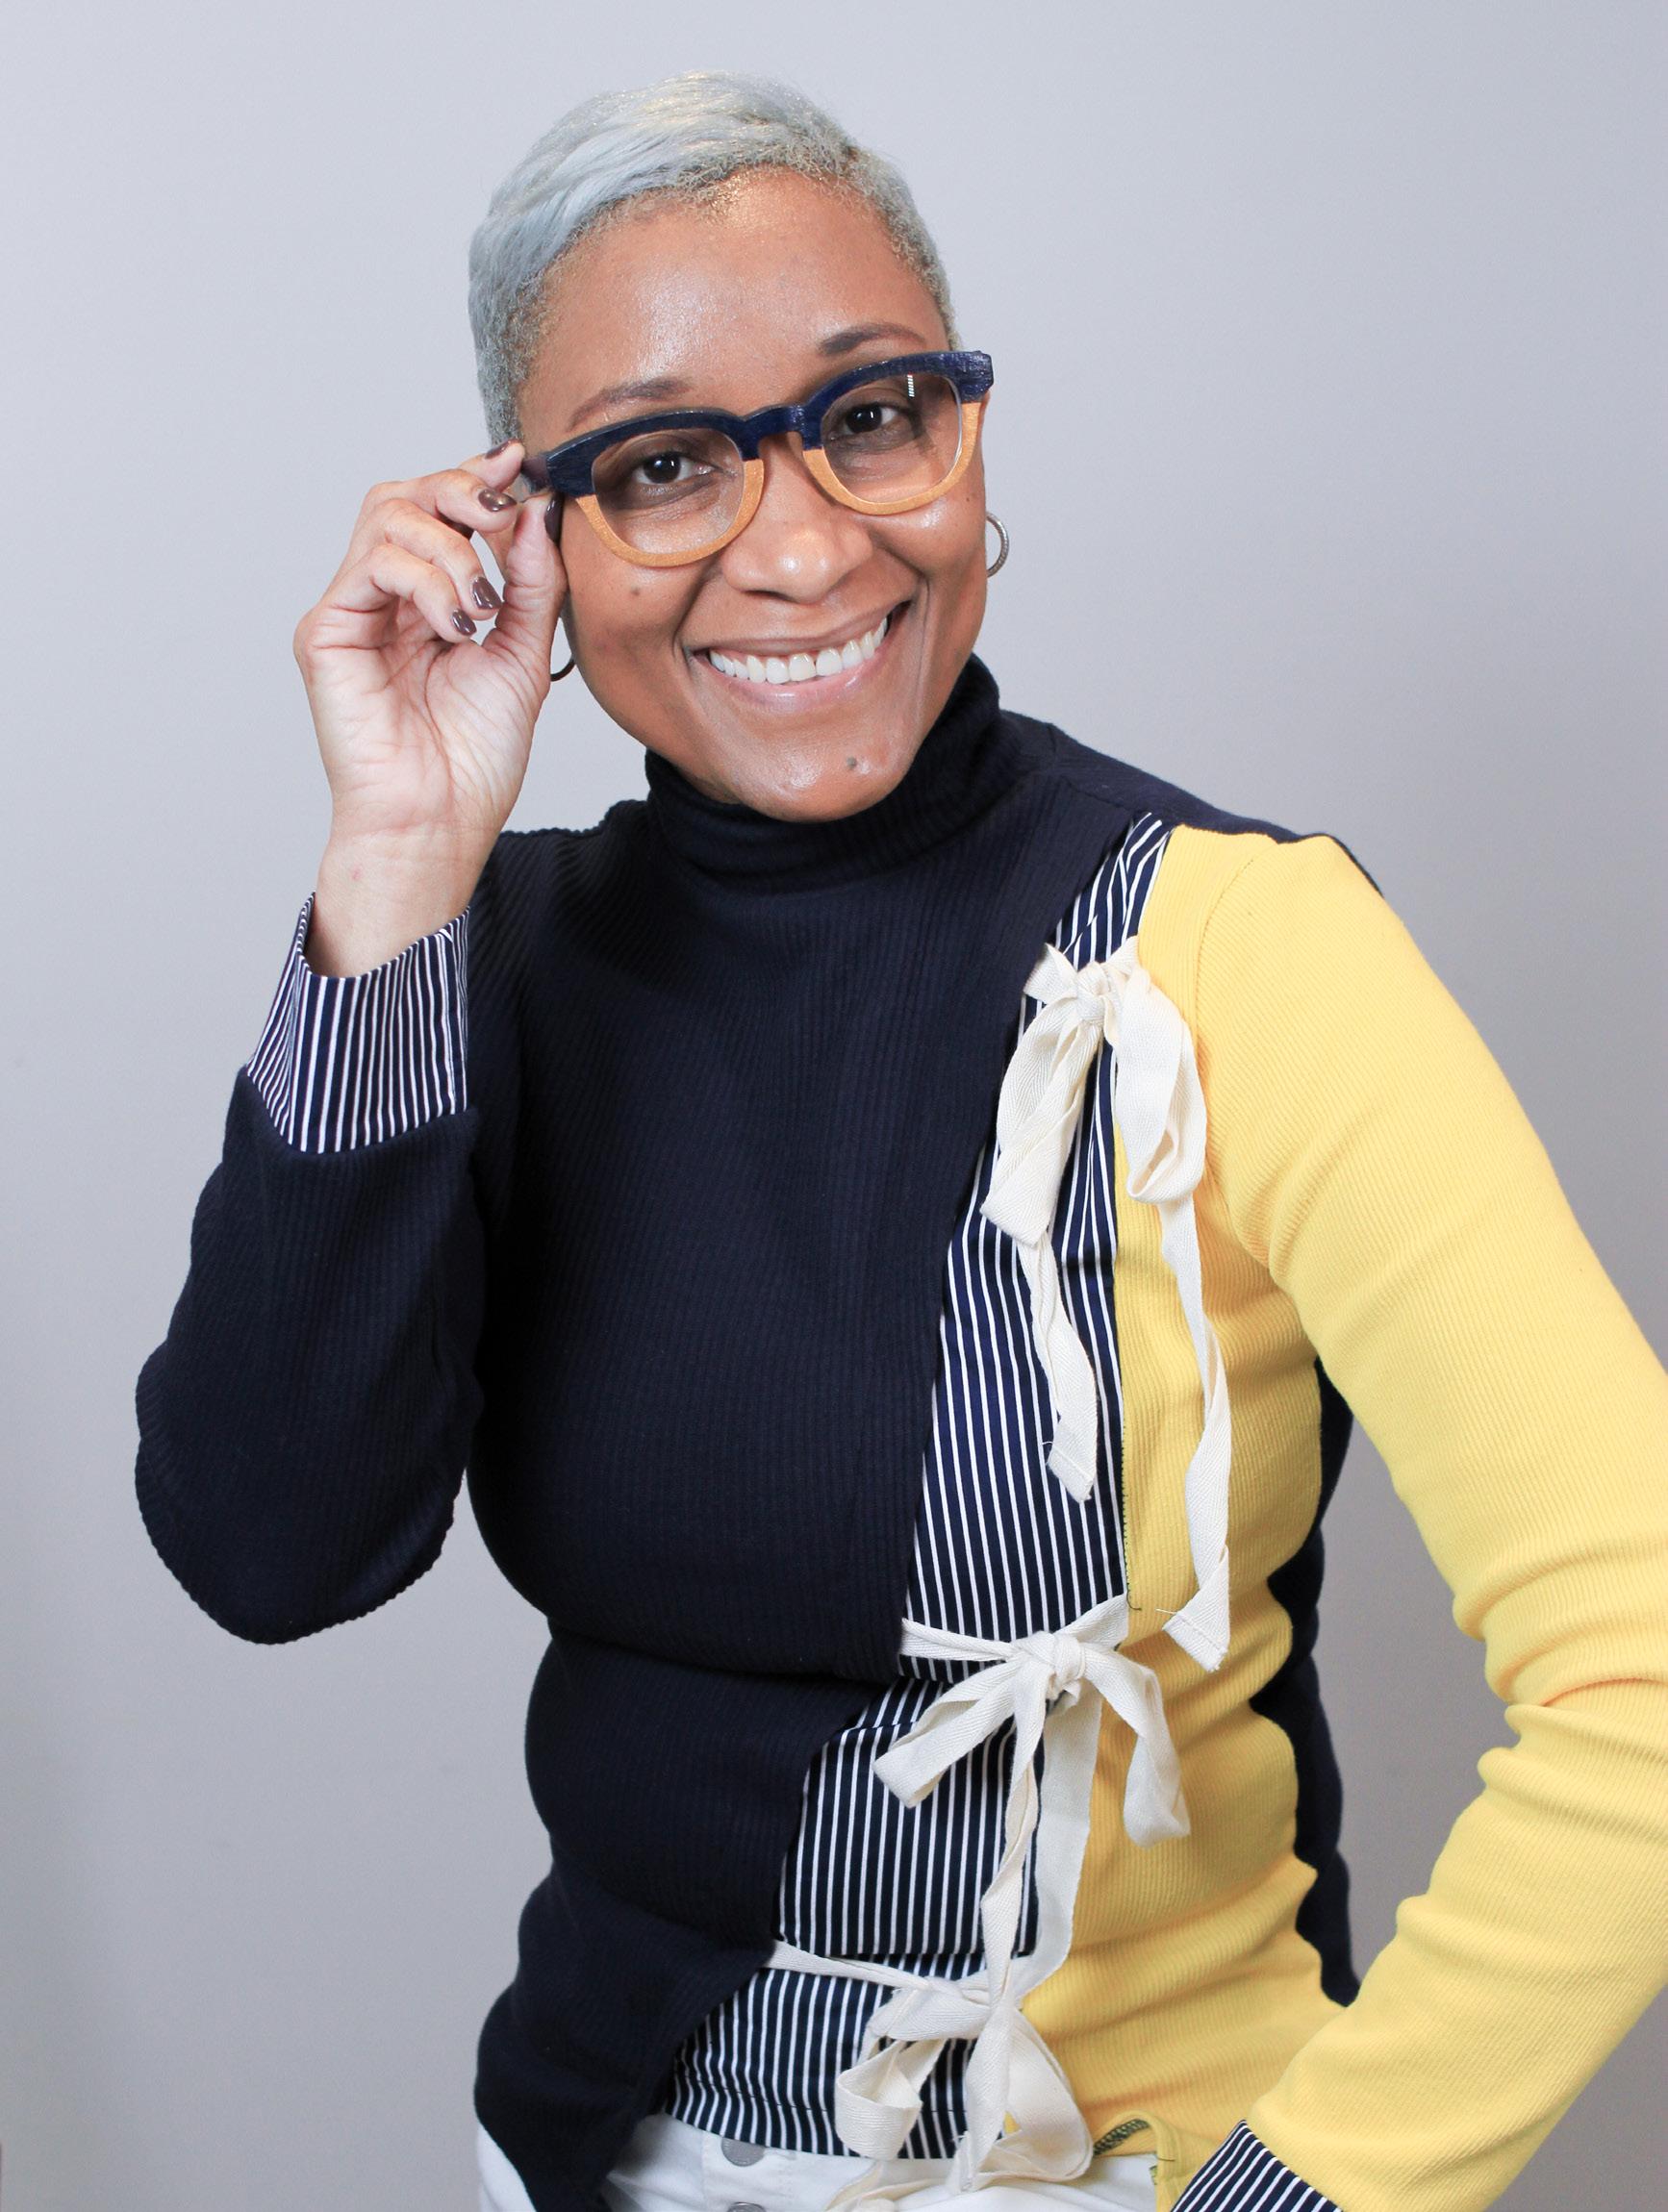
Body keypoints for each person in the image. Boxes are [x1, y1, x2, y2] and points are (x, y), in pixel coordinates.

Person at [132, 68, 1668, 2212]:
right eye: (663, 464)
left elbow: (1641, 1676)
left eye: (872, 415)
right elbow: (268, 1553)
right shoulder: (496, 963)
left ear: (965, 437)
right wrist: (394, 862)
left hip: (1132, 2168)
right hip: (593, 2158)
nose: (802, 545)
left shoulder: (1240, 952)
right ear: (527, 535)